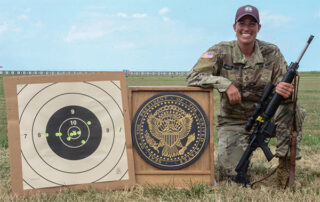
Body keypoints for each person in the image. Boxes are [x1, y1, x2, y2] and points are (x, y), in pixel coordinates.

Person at [186, 5, 305, 186]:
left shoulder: (272, 52)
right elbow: (193, 76)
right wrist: (224, 84)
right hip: (233, 121)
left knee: (292, 108)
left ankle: (284, 168)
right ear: (235, 27)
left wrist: (286, 91)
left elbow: (285, 88)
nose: (246, 28)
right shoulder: (220, 51)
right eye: (242, 23)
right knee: (230, 177)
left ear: (259, 28)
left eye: (252, 24)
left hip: (266, 118)